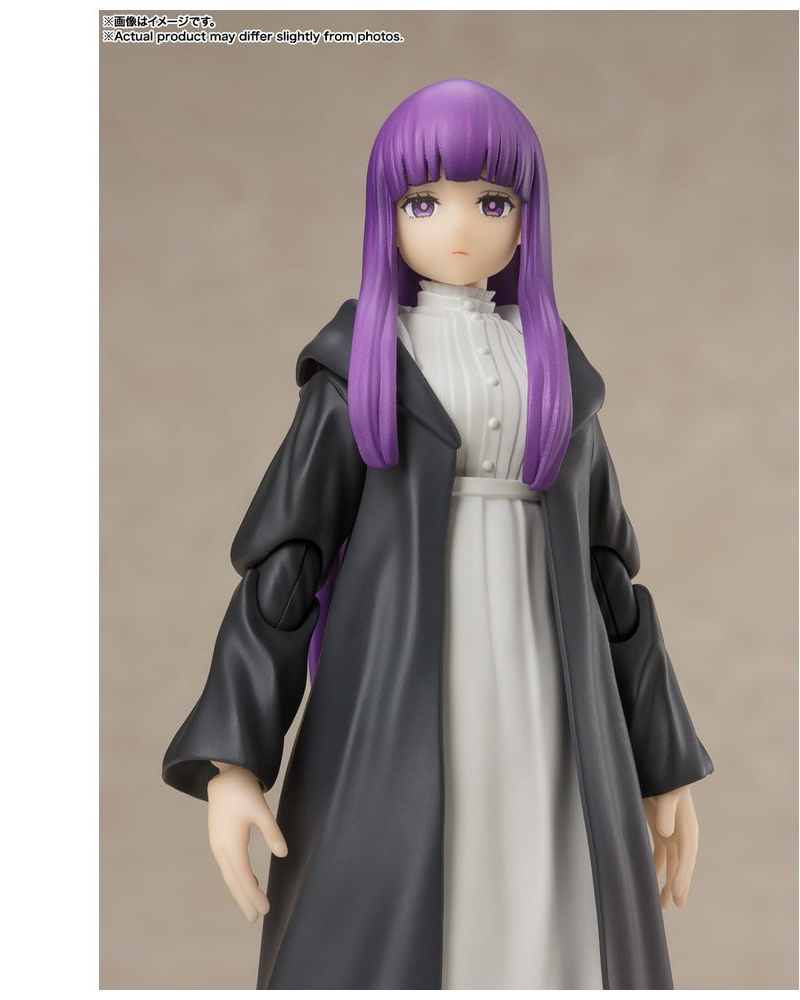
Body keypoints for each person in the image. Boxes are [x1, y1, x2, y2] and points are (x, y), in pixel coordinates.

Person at [163, 78, 714, 989]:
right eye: (424, 200)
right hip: (405, 677)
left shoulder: (554, 369)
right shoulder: (362, 367)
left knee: (549, 863)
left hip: (547, 673)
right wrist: (234, 757)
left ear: (526, 219)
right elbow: (286, 565)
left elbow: (611, 580)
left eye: (490, 200)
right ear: (388, 215)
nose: (458, 224)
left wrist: (663, 761)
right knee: (415, 867)